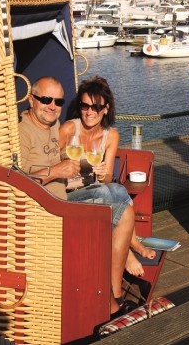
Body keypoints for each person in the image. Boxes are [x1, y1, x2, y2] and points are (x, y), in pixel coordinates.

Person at [18, 75, 136, 317]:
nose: (53, 106)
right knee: (116, 194)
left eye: (58, 102)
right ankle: (128, 257)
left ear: (105, 109)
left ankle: (113, 293)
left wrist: (99, 171)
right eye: (46, 99)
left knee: (120, 203)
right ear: (31, 100)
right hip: (51, 206)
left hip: (65, 199)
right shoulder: (27, 131)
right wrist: (56, 170)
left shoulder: (50, 125)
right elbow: (14, 180)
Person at [59, 75, 156, 277]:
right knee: (107, 191)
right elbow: (51, 163)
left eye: (95, 107)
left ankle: (131, 245)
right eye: (85, 106)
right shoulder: (68, 129)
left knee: (117, 188)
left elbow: (108, 177)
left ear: (106, 109)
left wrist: (103, 174)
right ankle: (132, 248)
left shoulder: (110, 135)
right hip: (68, 193)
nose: (89, 112)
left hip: (94, 189)